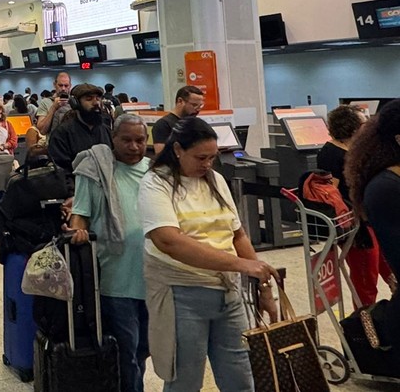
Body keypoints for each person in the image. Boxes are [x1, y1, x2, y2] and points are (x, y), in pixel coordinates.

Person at [140, 116, 278, 392]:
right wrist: (241, 265)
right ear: (177, 150)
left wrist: (261, 280)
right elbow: (169, 241)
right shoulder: (156, 182)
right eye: (200, 157)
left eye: (212, 157)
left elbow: (237, 234)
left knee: (240, 376)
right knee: (185, 379)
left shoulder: (215, 179)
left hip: (228, 293)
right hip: (182, 294)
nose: (207, 164)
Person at [67, 114, 151, 392]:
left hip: (154, 278)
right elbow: (80, 213)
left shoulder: (156, 172)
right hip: (116, 279)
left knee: (144, 349)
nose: (134, 146)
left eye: (140, 140)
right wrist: (77, 231)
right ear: (113, 138)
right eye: (126, 140)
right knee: (126, 351)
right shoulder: (96, 171)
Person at [318, 104, 393, 308]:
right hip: (355, 225)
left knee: (388, 268)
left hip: (371, 218)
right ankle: (366, 329)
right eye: (363, 122)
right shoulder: (331, 153)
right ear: (351, 126)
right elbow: (330, 193)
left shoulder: (358, 149)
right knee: (365, 279)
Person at [47, 83, 114, 185]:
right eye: (89, 99)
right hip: (77, 192)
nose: (96, 103)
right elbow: (60, 171)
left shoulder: (106, 130)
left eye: (98, 98)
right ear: (75, 103)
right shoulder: (62, 133)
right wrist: (73, 193)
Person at [151, 86, 205, 153]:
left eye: (200, 106)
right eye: (194, 105)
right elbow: (161, 157)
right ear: (180, 101)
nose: (198, 109)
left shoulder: (195, 123)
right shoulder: (163, 125)